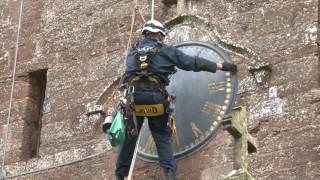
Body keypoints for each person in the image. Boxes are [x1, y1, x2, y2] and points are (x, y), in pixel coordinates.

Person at [115, 19, 237, 180]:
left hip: (134, 99)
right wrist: (220, 66)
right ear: (159, 35)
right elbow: (192, 63)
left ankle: (120, 175)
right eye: (162, 37)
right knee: (161, 136)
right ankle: (169, 174)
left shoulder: (132, 53)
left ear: (146, 34)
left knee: (130, 137)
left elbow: (127, 77)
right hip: (155, 98)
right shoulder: (165, 50)